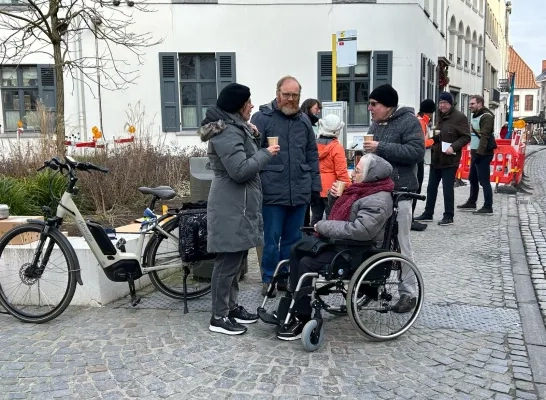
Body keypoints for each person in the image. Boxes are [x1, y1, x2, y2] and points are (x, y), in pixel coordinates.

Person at [277, 154, 394, 340]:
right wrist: (334, 198)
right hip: (343, 244)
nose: (353, 174)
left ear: (372, 175)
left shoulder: (377, 200)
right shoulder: (360, 191)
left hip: (357, 251)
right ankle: (293, 302)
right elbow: (338, 217)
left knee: (307, 262)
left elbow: (361, 231)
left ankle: (303, 316)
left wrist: (323, 226)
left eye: (357, 171)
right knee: (297, 249)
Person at [199, 83, 280, 336]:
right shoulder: (226, 133)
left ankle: (231, 307)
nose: (252, 106)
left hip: (239, 204)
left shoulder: (235, 128)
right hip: (230, 205)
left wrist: (252, 135)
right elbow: (240, 170)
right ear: (238, 105)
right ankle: (219, 316)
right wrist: (266, 153)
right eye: (249, 102)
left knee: (236, 260)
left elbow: (242, 156)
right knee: (227, 261)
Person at [251, 76, 321, 297]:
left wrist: (315, 187)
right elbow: (252, 153)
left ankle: (286, 277)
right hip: (272, 190)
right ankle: (269, 278)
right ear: (277, 93)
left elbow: (312, 154)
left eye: (295, 95)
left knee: (293, 240)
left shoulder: (304, 121)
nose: (291, 99)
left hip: (299, 190)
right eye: (287, 94)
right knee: (270, 239)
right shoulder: (262, 118)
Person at [363, 84, 424, 313]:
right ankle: (372, 286)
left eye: (374, 104)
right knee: (376, 240)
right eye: (369, 103)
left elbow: (416, 153)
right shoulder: (375, 124)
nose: (370, 108)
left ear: (388, 106)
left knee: (401, 243)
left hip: (402, 191)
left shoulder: (409, 121)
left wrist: (381, 147)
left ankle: (408, 293)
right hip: (378, 191)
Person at [414, 92, 471, 225]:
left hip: (450, 159)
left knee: (447, 188)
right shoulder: (440, 116)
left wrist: (454, 147)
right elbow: (439, 135)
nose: (442, 105)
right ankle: (428, 213)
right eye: (440, 103)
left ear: (450, 104)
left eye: (445, 103)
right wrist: (432, 141)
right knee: (431, 187)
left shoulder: (459, 117)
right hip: (437, 158)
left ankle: (449, 215)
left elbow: (466, 137)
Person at [457, 95, 495, 214]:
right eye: (469, 104)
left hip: (483, 153)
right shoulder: (476, 115)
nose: (470, 106)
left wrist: (479, 153)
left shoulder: (486, 117)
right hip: (476, 152)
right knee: (472, 178)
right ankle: (472, 202)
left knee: (484, 181)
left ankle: (488, 206)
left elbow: (484, 136)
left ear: (480, 104)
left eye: (472, 104)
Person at [311, 114, 352, 226]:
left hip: (314, 187)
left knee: (315, 218)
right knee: (331, 220)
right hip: (332, 190)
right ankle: (328, 243)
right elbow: (342, 173)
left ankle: (313, 241)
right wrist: (350, 188)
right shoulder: (337, 148)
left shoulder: (313, 145)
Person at [412, 99, 436, 232]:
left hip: (416, 159)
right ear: (429, 113)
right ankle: (410, 220)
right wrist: (434, 140)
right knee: (417, 188)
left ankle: (410, 218)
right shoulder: (421, 122)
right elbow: (421, 143)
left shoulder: (418, 120)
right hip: (418, 159)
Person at [300, 98, 323, 227]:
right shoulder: (304, 122)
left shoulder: (314, 123)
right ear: (308, 108)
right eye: (316, 108)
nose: (318, 111)